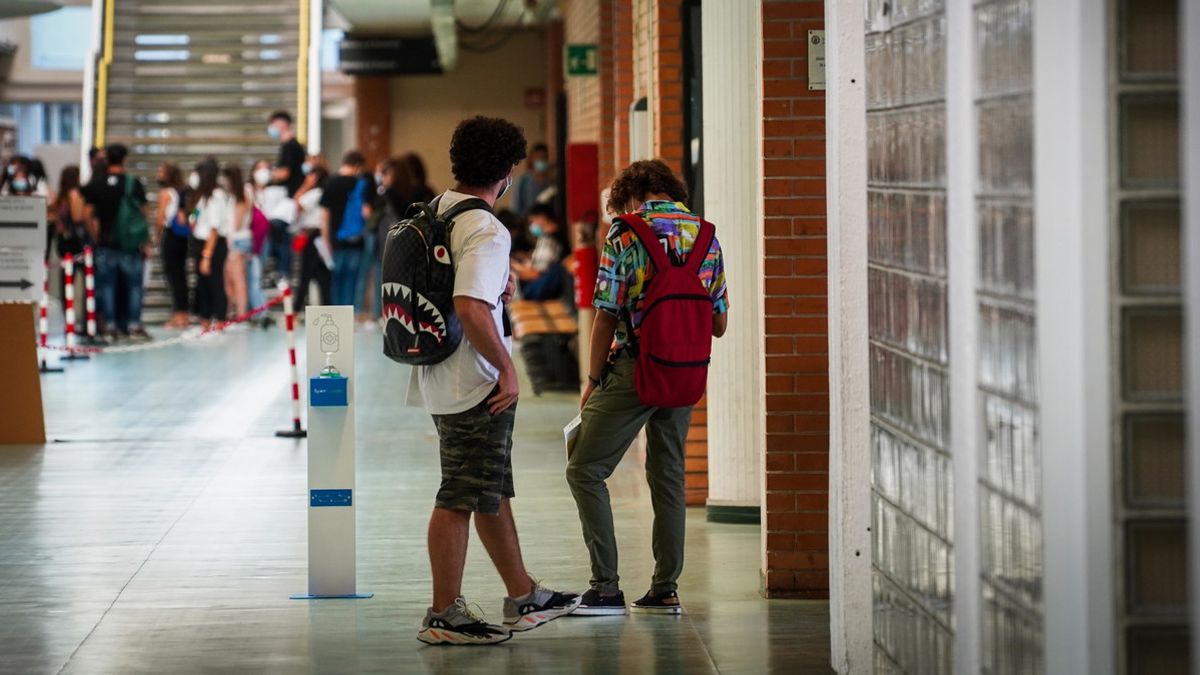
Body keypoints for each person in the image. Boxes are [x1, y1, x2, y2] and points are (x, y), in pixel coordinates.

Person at [409, 116, 579, 645]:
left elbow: (463, 291)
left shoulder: (438, 210)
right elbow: (468, 305)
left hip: (441, 371)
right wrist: (508, 369)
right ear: (507, 171)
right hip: (475, 381)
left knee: (490, 487)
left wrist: (496, 290)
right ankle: (443, 615)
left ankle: (523, 594)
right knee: (460, 493)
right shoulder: (485, 226)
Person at [566, 159, 730, 616]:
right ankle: (665, 588)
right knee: (669, 477)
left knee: (585, 468)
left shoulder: (625, 232)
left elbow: (605, 314)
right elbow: (719, 323)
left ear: (632, 197)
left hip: (635, 371)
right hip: (686, 372)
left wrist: (594, 379)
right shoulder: (706, 235)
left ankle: (606, 587)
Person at [82, 143, 151, 342]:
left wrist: (96, 235)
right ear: (124, 159)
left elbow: (86, 214)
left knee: (106, 286)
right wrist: (144, 240)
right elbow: (143, 212)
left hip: (105, 244)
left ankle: (110, 325)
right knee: (134, 286)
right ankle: (133, 324)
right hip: (130, 245)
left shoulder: (98, 184)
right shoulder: (132, 183)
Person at [318, 150, 374, 309]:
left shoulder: (330, 182)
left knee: (336, 280)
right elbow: (366, 212)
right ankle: (352, 315)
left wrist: (325, 239)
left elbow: (325, 215)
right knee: (353, 281)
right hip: (357, 241)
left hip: (336, 241)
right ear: (357, 165)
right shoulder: (362, 183)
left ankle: (337, 315)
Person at [187, 158, 232, 329]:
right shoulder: (202, 196)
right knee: (202, 285)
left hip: (212, 245)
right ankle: (204, 319)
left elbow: (214, 228)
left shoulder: (216, 196)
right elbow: (195, 216)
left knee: (215, 283)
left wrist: (206, 255)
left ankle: (220, 319)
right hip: (200, 243)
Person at [266, 110, 306, 287]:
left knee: (279, 232)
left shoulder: (290, 145)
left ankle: (283, 272)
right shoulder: (288, 145)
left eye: (274, 123)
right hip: (287, 200)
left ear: (282, 123)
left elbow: (285, 172)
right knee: (279, 234)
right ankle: (281, 272)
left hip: (290, 200)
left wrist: (269, 175)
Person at [154, 163, 191, 329]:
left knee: (173, 276)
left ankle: (178, 316)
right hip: (182, 238)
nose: (158, 173)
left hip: (170, 235)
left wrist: (156, 235)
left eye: (161, 171)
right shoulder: (181, 192)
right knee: (180, 276)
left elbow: (160, 218)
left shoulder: (165, 193)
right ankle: (184, 315)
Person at [51, 165, 87, 332]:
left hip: (63, 245)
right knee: (86, 283)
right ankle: (86, 320)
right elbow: (78, 217)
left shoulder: (60, 198)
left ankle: (69, 320)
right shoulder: (75, 195)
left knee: (66, 284)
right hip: (76, 245)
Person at [510, 203, 567, 301]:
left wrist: (512, 265)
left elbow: (536, 274)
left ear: (542, 218)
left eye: (532, 221)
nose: (532, 226)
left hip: (539, 290)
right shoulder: (546, 238)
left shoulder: (551, 241)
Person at [293, 157, 330, 308]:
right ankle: (328, 306)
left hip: (313, 235)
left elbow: (296, 204)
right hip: (317, 236)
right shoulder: (323, 193)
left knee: (306, 274)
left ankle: (296, 309)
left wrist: (305, 186)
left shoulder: (315, 193)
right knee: (321, 275)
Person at [511, 143, 553, 218]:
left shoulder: (552, 182)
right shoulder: (523, 182)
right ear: (532, 159)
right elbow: (516, 209)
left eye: (544, 157)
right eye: (538, 157)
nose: (541, 160)